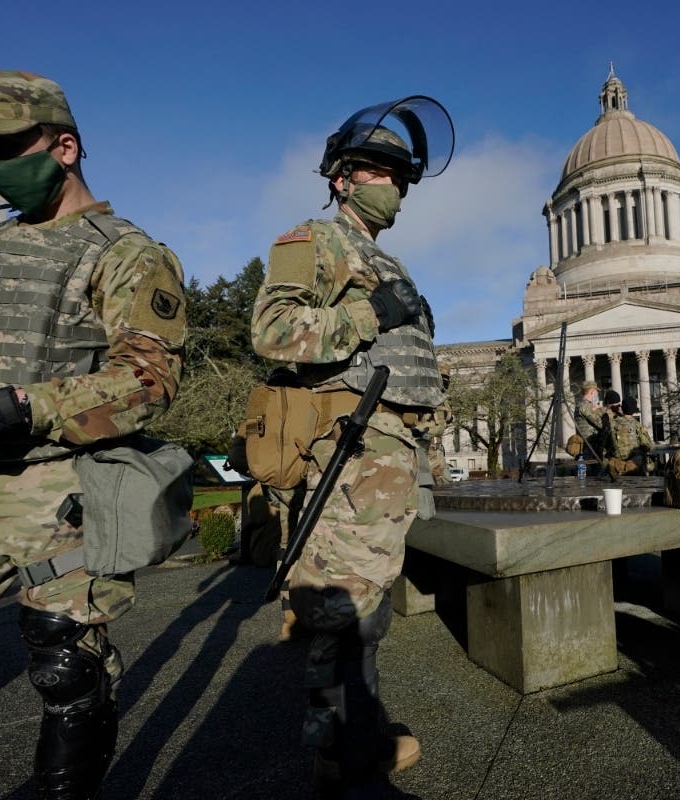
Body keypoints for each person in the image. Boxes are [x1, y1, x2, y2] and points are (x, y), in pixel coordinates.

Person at [0, 71, 186, 798]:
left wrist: (28, 406)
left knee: (68, 668)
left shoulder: (125, 252)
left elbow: (148, 379)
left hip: (54, 490)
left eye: (2, 147)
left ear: (65, 146)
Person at [250, 95, 453, 796]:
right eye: (377, 172)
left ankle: (351, 735)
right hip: (352, 451)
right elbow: (273, 333)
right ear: (341, 178)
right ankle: (345, 750)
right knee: (345, 611)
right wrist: (369, 312)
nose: (392, 185)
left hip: (387, 456)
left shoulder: (385, 259)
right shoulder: (316, 240)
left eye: (400, 177)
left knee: (362, 606)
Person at [608, 396, 654, 476]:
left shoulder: (612, 423)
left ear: (623, 408)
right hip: (634, 466)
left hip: (617, 465)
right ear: (634, 410)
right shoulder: (637, 425)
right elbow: (648, 446)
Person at [573, 380, 606, 460]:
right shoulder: (586, 406)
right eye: (596, 392)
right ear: (591, 392)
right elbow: (601, 424)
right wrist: (600, 411)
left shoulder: (579, 405)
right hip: (590, 447)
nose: (597, 395)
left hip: (585, 446)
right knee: (593, 471)